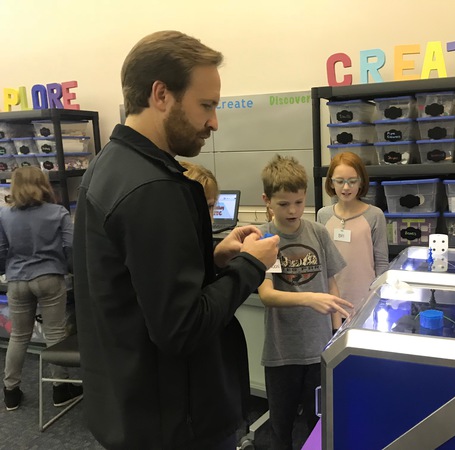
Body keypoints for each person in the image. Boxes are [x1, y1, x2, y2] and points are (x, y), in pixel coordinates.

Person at [73, 30, 279, 450]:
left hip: (132, 408)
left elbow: (137, 284)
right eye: (206, 106)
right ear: (161, 94)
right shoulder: (154, 189)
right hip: (176, 424)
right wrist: (250, 266)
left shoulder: (110, 165)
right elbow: (182, 329)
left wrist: (212, 258)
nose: (214, 122)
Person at [257, 155, 353, 450]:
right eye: (284, 204)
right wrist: (309, 298)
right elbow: (267, 294)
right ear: (267, 200)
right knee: (281, 429)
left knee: (318, 426)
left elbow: (331, 281)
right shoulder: (264, 238)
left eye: (298, 202)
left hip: (318, 350)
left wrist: (336, 332)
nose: (293, 210)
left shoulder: (318, 232)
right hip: (282, 353)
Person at [0, 166, 82, 411]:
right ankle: (60, 389)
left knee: (19, 335)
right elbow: (72, 248)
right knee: (55, 334)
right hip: (49, 277)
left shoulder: (5, 215)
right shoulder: (57, 213)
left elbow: (1, 251)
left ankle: (10, 391)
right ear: (43, 184)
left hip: (17, 279)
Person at [317, 152, 388, 313]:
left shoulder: (375, 215)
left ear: (361, 182)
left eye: (352, 181)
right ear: (331, 183)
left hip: (365, 302)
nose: (346, 187)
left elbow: (381, 263)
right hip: (331, 302)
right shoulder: (323, 215)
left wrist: (379, 298)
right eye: (340, 181)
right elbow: (322, 262)